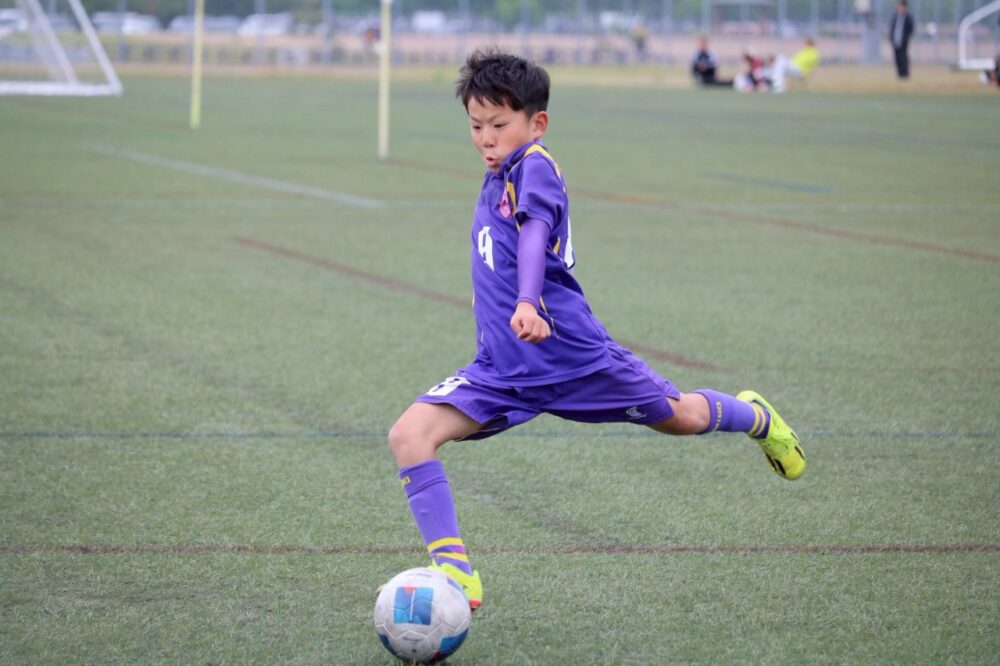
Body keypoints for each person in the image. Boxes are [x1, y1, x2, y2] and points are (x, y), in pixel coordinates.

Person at [386, 49, 806, 612]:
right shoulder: (496, 176)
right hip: (503, 371)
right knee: (408, 437)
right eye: (476, 126)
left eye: (499, 125)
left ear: (537, 123)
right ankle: (457, 576)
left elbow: (535, 234)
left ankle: (757, 417)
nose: (486, 138)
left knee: (680, 417)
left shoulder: (534, 167)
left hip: (574, 360)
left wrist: (528, 300)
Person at [888, 0, 914, 79]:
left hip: (903, 40)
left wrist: (906, 37)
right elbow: (892, 28)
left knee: (903, 57)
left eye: (902, 6)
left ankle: (905, 74)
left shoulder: (908, 17)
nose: (900, 8)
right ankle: (899, 74)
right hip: (896, 39)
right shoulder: (895, 16)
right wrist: (891, 37)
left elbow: (910, 29)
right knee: (897, 57)